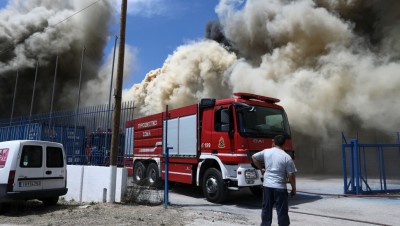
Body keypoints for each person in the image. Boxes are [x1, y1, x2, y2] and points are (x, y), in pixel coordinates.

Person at [252, 135, 297, 226]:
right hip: (280, 187)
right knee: (282, 210)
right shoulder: (287, 157)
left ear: (273, 142)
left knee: (266, 209)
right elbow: (291, 175)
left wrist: (261, 168)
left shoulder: (267, 152)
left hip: (267, 186)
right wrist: (293, 188)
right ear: (284, 144)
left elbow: (254, 157)